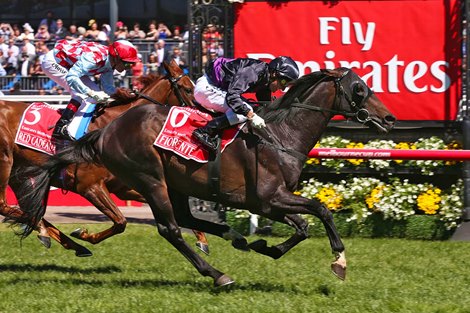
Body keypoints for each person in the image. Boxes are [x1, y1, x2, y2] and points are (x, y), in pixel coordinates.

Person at [192, 56, 300, 152]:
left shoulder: (266, 78)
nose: (282, 88)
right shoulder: (253, 72)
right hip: (207, 87)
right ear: (274, 73)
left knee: (251, 108)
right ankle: (205, 131)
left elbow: (265, 104)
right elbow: (232, 97)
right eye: (283, 82)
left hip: (219, 88)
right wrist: (251, 115)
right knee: (246, 110)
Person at [40, 39, 141, 141]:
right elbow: (72, 77)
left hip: (69, 65)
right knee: (81, 94)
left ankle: (77, 125)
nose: (128, 68)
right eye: (127, 64)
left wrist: (125, 94)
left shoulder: (110, 63)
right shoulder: (94, 57)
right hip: (55, 62)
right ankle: (60, 128)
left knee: (94, 95)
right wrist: (90, 92)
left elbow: (108, 88)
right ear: (117, 58)